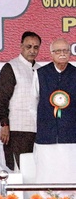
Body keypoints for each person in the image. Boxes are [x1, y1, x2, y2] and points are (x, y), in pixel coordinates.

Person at [0, 31, 41, 170]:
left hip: (38, 130)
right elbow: (1, 99)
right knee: (18, 170)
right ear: (21, 47)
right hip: (17, 129)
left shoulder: (40, 70)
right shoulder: (11, 68)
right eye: (29, 46)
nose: (32, 50)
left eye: (36, 47)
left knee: (35, 170)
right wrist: (4, 124)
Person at [33, 38, 76, 186]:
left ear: (70, 53)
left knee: (71, 174)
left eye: (65, 51)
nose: (62, 54)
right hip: (46, 135)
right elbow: (33, 103)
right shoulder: (40, 74)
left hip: (71, 135)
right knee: (47, 174)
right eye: (58, 51)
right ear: (51, 54)